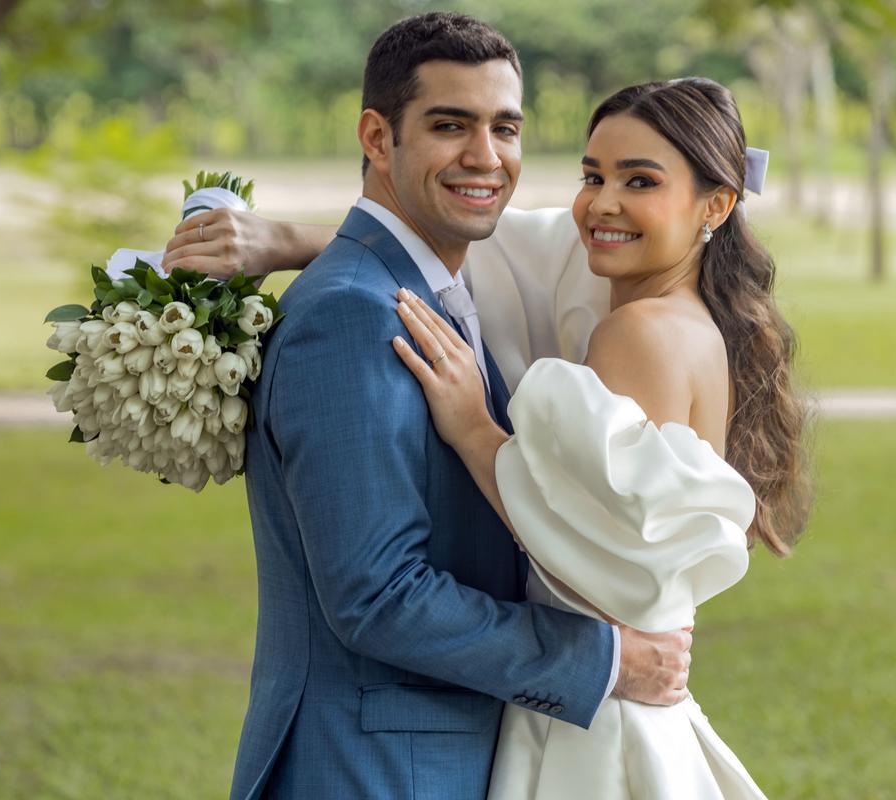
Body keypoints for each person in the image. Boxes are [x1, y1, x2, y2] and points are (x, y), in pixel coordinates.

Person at [215, 14, 694, 800]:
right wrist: (605, 659)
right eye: (450, 125)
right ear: (377, 137)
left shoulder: (445, 290)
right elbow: (377, 596)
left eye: (505, 127)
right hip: (372, 770)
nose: (486, 156)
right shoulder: (352, 314)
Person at [390, 78, 812, 798]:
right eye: (593, 176)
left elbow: (581, 544)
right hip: (636, 711)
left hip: (594, 725)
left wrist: (472, 428)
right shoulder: (694, 324)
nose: (602, 204)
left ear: (715, 204)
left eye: (639, 180)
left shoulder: (637, 333)